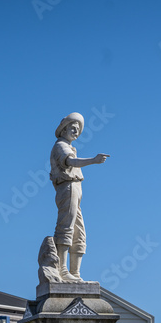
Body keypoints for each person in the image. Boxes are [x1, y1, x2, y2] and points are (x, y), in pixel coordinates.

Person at [50, 112, 109, 281]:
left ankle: (75, 273)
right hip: (67, 188)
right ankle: (62, 270)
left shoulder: (69, 147)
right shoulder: (60, 146)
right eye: (73, 128)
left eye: (78, 129)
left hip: (75, 188)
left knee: (79, 231)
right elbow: (70, 162)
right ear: (64, 129)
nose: (76, 131)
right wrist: (93, 160)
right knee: (66, 226)